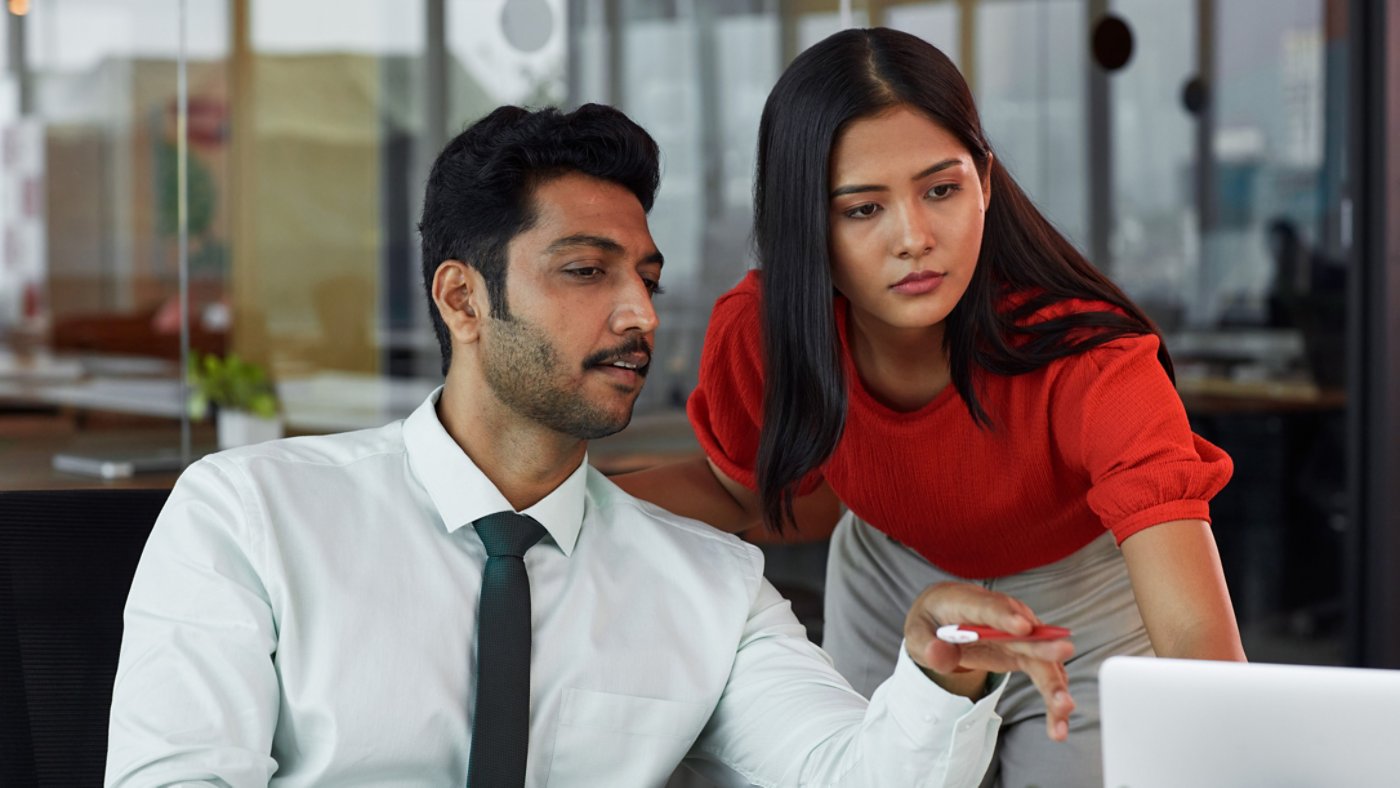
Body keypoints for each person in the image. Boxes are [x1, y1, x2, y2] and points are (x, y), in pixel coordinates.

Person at [104, 103, 1075, 788]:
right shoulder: (249, 514)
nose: (638, 312)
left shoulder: (707, 584)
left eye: (645, 276)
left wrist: (936, 676)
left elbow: (847, 774)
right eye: (584, 270)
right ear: (460, 297)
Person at [613, 27, 1246, 788]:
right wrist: (548, 502)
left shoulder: (1089, 360)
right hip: (891, 580)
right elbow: (746, 494)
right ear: (803, 222)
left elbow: (1194, 634)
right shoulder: (766, 331)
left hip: (1085, 607)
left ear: (983, 177)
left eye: (940, 189)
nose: (914, 238)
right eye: (862, 209)